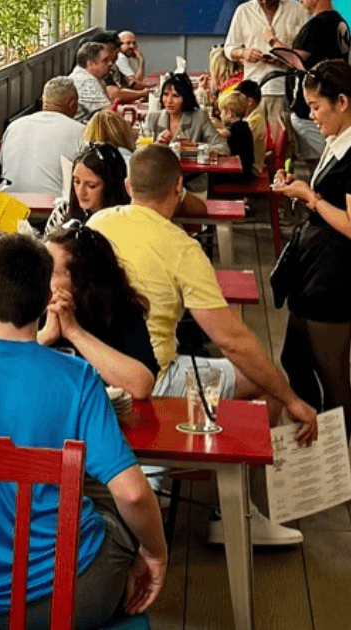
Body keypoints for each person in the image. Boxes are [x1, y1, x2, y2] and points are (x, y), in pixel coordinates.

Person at [0, 232, 167, 630]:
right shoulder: (78, 378)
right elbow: (132, 492)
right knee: (113, 523)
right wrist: (156, 554)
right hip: (77, 596)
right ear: (46, 301)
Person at [88, 145, 319, 545]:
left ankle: (153, 475)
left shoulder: (98, 221)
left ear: (127, 186)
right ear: (179, 187)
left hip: (92, 376)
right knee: (266, 390)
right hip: (152, 380)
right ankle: (238, 517)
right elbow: (231, 340)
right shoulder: (181, 247)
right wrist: (291, 396)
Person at [272, 60, 351, 440]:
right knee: (295, 357)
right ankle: (313, 438)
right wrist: (302, 187)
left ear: (342, 101)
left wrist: (309, 196)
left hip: (335, 272)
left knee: (332, 372)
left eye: (316, 106)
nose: (311, 114)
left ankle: (334, 459)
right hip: (315, 265)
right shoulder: (341, 140)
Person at [41, 225, 159, 400]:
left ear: (80, 280)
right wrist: (43, 337)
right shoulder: (32, 305)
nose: (39, 280)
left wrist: (74, 332)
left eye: (49, 272)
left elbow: (141, 386)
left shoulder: (120, 310)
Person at [224, 0, 309, 136]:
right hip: (253, 90)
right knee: (253, 141)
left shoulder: (296, 9)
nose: (264, 2)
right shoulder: (244, 11)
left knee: (281, 142)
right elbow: (229, 49)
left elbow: (305, 50)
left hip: (283, 89)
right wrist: (244, 53)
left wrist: (286, 57)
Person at [283, 0, 351, 162]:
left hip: (312, 108)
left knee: (333, 158)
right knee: (316, 161)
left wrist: (272, 41)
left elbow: (298, 58)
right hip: (326, 103)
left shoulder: (320, 24)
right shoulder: (338, 21)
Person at [0, 77, 87, 197]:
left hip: (8, 204)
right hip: (54, 207)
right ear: (72, 104)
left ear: (43, 101)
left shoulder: (14, 126)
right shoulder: (80, 131)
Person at [142, 74, 229, 195]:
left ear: (186, 97)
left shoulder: (199, 117)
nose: (169, 101)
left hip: (193, 184)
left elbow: (223, 147)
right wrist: (156, 146)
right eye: (166, 95)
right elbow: (139, 151)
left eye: (175, 96)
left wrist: (197, 148)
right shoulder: (153, 118)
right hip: (159, 183)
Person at [44, 142, 131, 233]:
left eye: (91, 186)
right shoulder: (62, 213)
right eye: (76, 182)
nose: (81, 192)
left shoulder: (127, 220)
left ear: (110, 186)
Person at [89, 30, 148, 104]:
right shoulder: (99, 68)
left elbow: (130, 83)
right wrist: (142, 94)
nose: (118, 51)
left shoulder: (113, 66)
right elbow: (115, 94)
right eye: (114, 48)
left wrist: (150, 88)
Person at [212, 91, 258, 184]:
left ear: (229, 113)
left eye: (222, 112)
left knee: (209, 177)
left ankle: (211, 196)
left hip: (239, 174)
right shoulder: (243, 125)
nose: (220, 115)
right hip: (243, 170)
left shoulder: (236, 127)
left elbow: (222, 134)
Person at [68, 41, 114, 123]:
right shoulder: (86, 81)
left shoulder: (90, 76)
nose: (110, 63)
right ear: (90, 64)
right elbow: (108, 114)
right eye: (105, 61)